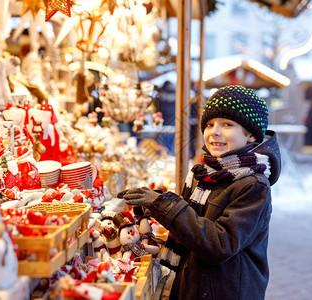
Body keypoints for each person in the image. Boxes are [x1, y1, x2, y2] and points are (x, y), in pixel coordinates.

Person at [118, 85, 281, 300]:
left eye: (228, 125)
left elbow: (219, 245)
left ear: (250, 135)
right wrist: (155, 206)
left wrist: (165, 205)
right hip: (194, 286)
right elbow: (191, 224)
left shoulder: (252, 185)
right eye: (210, 124)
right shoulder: (204, 172)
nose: (215, 131)